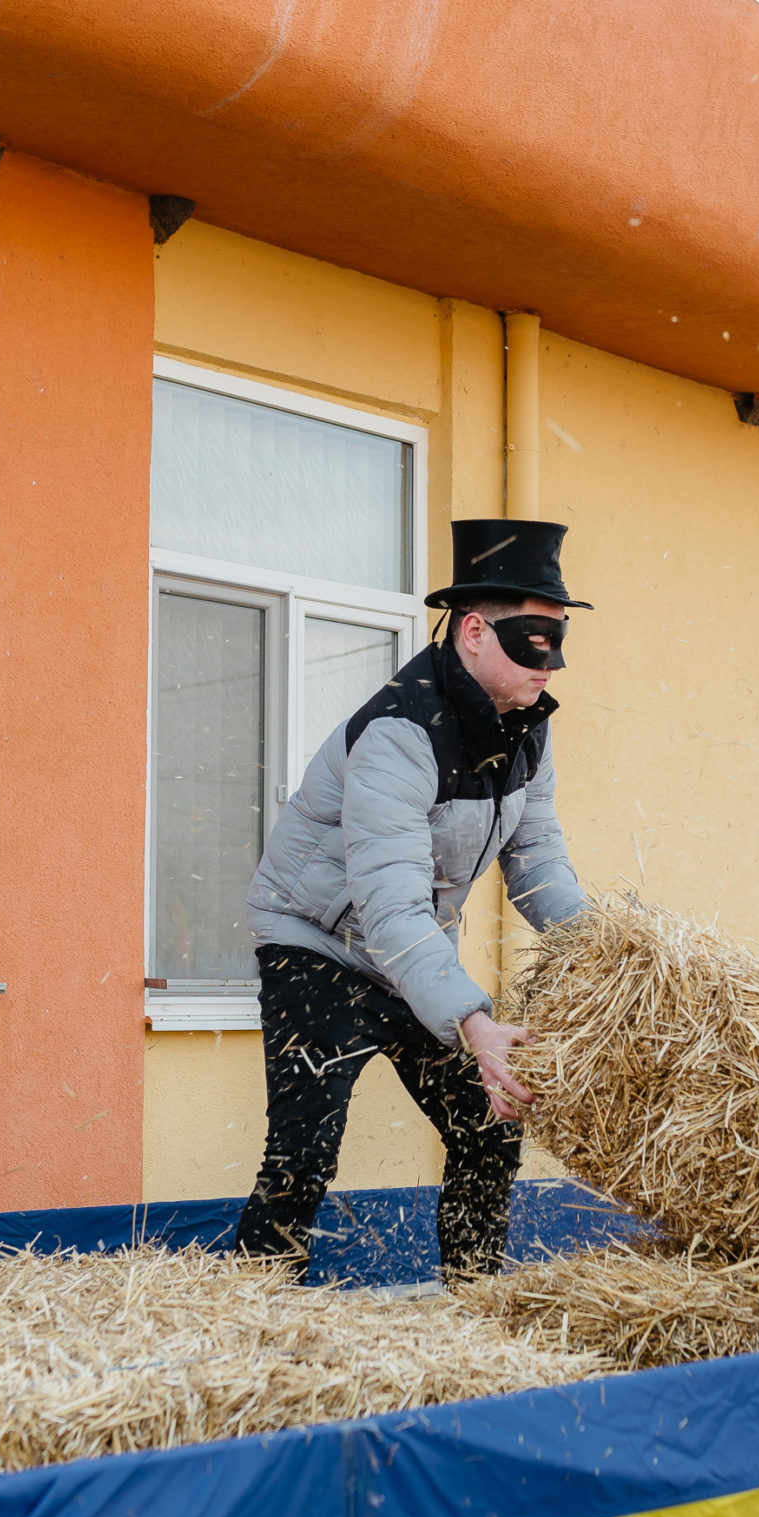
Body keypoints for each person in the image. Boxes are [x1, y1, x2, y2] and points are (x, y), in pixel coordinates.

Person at [234, 518, 592, 1279]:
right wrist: (474, 1018)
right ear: (472, 631)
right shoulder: (401, 732)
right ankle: (250, 1315)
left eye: (561, 640)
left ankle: (474, 1297)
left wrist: (611, 954)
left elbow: (537, 862)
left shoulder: (528, 731)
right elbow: (389, 903)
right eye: (536, 640)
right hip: (317, 943)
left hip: (407, 955)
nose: (552, 664)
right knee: (303, 1150)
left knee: (486, 1125)